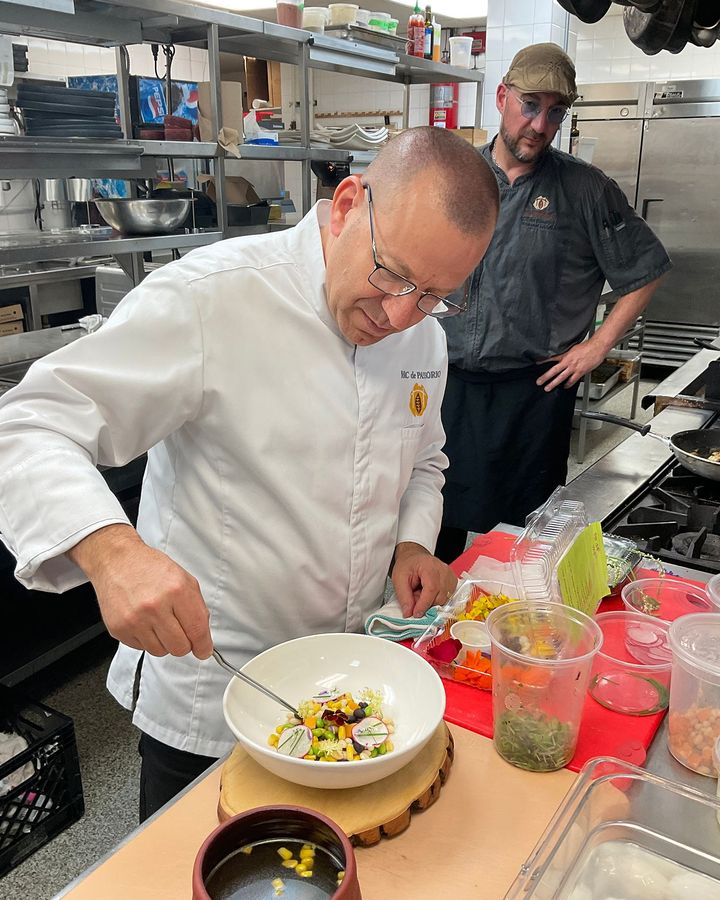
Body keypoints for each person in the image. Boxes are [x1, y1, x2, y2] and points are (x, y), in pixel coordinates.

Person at [0, 127, 499, 820]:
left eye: (434, 294)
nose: (398, 314)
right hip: (215, 693)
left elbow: (424, 458)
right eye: (392, 275)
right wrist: (113, 553)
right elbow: (27, 424)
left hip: (348, 687)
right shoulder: (212, 298)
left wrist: (413, 542)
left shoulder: (423, 337)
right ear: (348, 204)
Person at [434, 44, 672, 564]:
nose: (541, 124)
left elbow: (646, 268)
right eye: (530, 105)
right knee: (433, 528)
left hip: (535, 394)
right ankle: (422, 634)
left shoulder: (585, 190)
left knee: (529, 540)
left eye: (555, 112)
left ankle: (518, 631)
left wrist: (598, 346)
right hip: (448, 387)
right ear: (502, 97)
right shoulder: (458, 177)